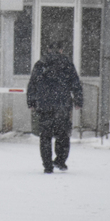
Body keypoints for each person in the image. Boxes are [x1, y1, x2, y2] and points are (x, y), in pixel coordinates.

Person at [26, 41, 83, 173]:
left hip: (44, 105)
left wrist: (31, 102)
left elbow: (32, 84)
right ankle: (60, 161)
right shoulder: (67, 64)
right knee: (63, 134)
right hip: (63, 105)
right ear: (61, 50)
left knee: (45, 136)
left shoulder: (40, 64)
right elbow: (75, 83)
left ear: (48, 50)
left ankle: (47, 165)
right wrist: (78, 100)